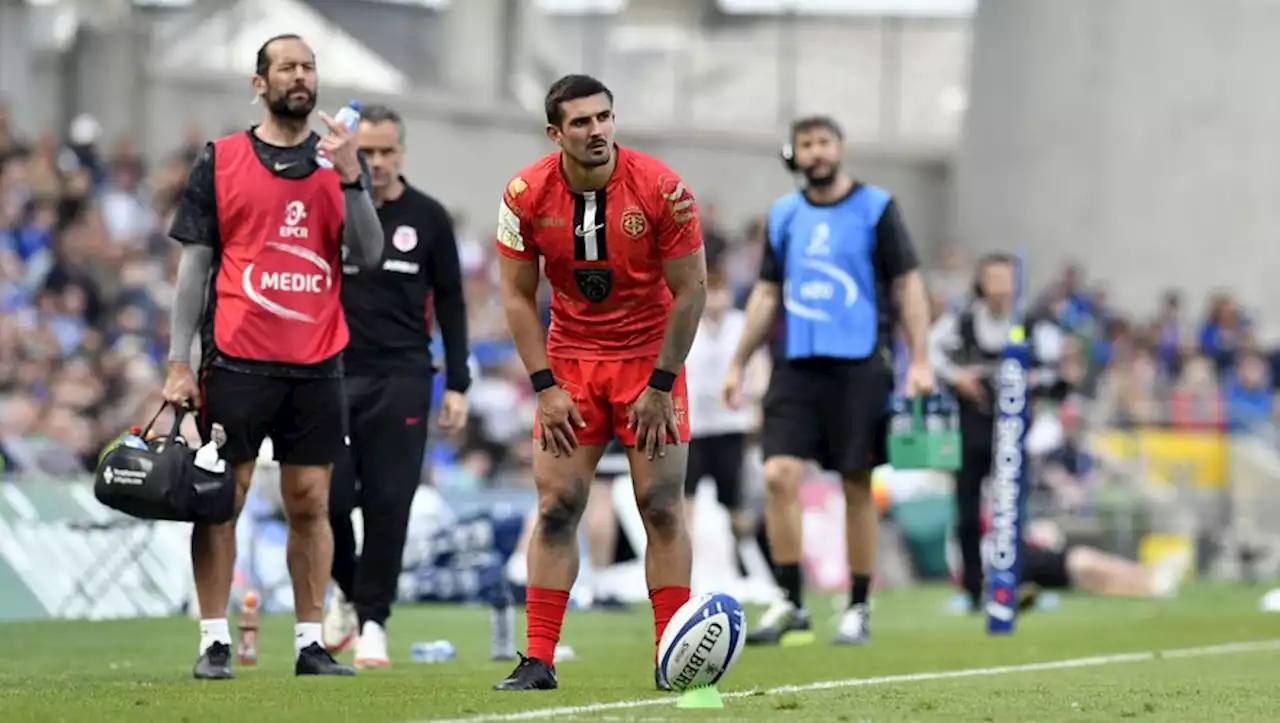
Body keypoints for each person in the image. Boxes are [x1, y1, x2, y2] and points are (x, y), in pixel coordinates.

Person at [162, 34, 385, 679]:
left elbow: (368, 257)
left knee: (312, 501)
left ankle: (310, 643)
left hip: (317, 361)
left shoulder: (341, 163)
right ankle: (212, 640)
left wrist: (351, 180)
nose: (300, 75)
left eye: (309, 67)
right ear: (260, 83)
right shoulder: (222, 159)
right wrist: (180, 361)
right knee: (220, 500)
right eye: (287, 66)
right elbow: (193, 270)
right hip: (235, 358)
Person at [492, 74, 706, 691]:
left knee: (661, 506)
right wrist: (544, 385)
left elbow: (692, 289)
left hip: (649, 362)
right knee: (557, 506)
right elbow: (514, 295)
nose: (597, 131)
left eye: (604, 118)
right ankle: (538, 659)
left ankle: (676, 661)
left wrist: (662, 384)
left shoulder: (664, 189)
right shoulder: (524, 194)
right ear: (555, 133)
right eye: (581, 122)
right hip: (570, 365)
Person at [721, 115, 934, 646]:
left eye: (824, 143)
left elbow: (908, 285)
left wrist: (921, 360)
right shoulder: (784, 215)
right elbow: (768, 294)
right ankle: (791, 602)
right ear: (793, 153)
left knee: (856, 484)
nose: (816, 152)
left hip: (860, 363)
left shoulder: (876, 209)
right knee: (777, 476)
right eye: (806, 144)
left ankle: (858, 606)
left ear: (841, 149)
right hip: (796, 364)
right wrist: (738, 361)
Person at [320, 104, 471, 668]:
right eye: (367, 152)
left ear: (402, 153)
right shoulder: (328, 206)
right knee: (326, 500)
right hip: (329, 375)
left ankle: (374, 622)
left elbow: (453, 303)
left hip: (404, 376)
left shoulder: (428, 217)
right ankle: (348, 590)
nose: (377, 163)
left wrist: (458, 382)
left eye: (387, 152)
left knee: (389, 503)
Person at [927, 254, 1061, 612]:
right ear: (982, 284)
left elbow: (1055, 370)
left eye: (1006, 279)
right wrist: (958, 379)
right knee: (968, 513)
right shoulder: (962, 323)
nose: (1001, 288)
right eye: (994, 279)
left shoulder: (1031, 326)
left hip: (1013, 429)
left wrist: (1031, 384)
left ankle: (1013, 583)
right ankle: (973, 588)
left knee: (1012, 511)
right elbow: (931, 351)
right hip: (972, 425)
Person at [684, 266, 767, 576]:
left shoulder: (740, 325)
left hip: (731, 424)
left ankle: (746, 564)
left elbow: (759, 368)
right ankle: (684, 570)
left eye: (722, 292)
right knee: (685, 501)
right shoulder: (688, 323)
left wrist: (755, 404)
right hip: (695, 426)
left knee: (735, 504)